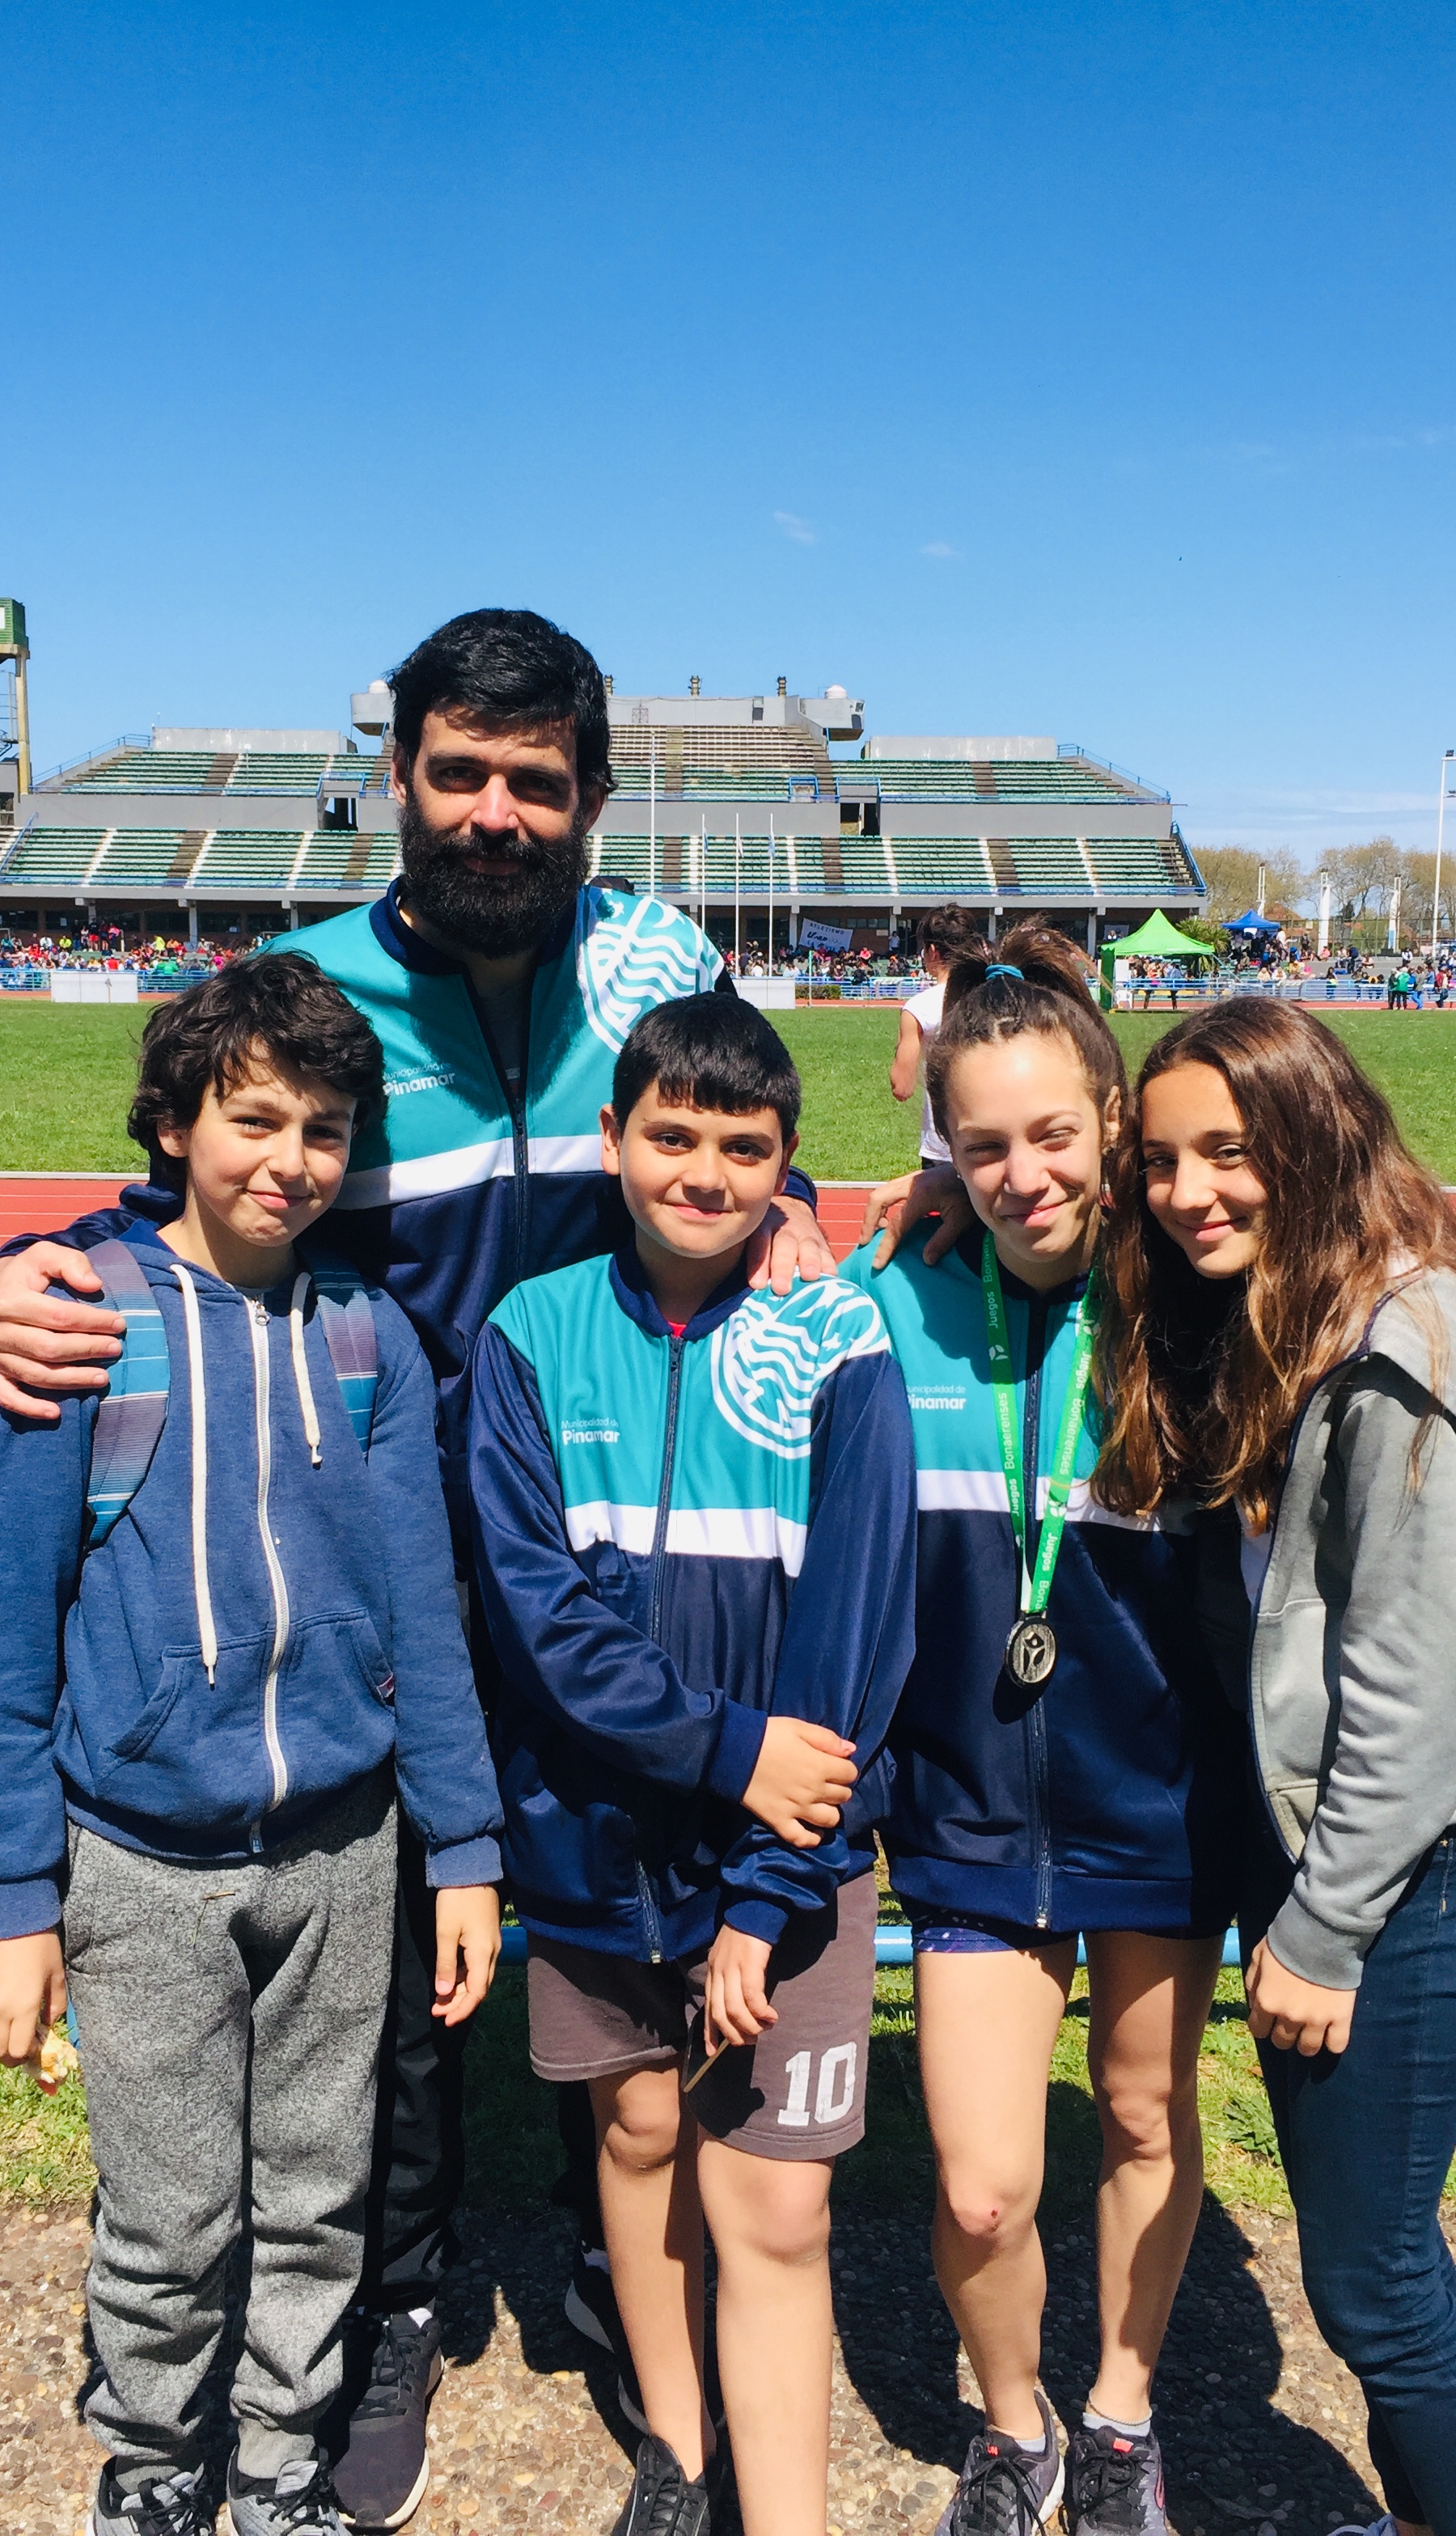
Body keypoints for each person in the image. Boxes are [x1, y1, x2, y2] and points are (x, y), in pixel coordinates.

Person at [0, 610, 834, 2528]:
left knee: (653, 1920)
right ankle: (378, 2323)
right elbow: (189, 1192)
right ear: (403, 780)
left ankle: (646, 2327)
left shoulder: (659, 962)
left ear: (593, 796)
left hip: (626, 1559)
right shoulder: (317, 980)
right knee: (396, 1995)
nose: (496, 811)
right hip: (396, 1567)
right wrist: (16, 1266)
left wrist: (863, 1214)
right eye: (460, 772)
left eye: (536, 779)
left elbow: (752, 1164)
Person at [0, 955, 506, 2536]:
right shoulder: (88, 1323)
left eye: (325, 1130)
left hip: (341, 1858)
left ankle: (276, 2476)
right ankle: (154, 2468)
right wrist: (10, 1907)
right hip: (142, 1870)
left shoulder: (366, 1340)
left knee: (320, 2203)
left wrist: (460, 1852)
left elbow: (421, 1618)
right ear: (175, 1125)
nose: (291, 1160)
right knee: (174, 2218)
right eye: (254, 1118)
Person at [1094, 1000, 1456, 2536]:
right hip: (1341, 1837)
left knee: (1373, 2288)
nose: (1189, 1191)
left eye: (1227, 1152)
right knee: (1373, 2256)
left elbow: (1403, 1681)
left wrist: (1319, 1932)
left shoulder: (1397, 1348)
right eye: (1164, 1159)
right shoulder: (1298, 1308)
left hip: (1405, 1860)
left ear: (1310, 1139)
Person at [468, 993, 917, 2536]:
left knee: (774, 2200)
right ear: (611, 1137)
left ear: (787, 1164)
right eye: (671, 1135)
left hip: (783, 1865)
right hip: (590, 1837)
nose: (703, 1172)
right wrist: (725, 1748)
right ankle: (676, 2447)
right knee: (641, 2129)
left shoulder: (835, 1336)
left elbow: (854, 1637)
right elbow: (540, 1619)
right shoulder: (528, 1331)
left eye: (744, 1147)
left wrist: (766, 1877)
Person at [844, 927, 1246, 2536]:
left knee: (1147, 2114)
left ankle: (1125, 2415)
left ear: (1112, 1121)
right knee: (978, 2183)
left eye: (1056, 1136)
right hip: (968, 1815)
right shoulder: (887, 1303)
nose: (1023, 1177)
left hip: (1159, 1800)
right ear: (946, 1144)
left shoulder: (1202, 1305)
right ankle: (1017, 2432)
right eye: (985, 1144)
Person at [891, 904, 985, 1171]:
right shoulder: (996, 996)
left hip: (943, 1147)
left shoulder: (919, 1008)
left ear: (932, 951)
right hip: (996, 1141)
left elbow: (902, 1087)